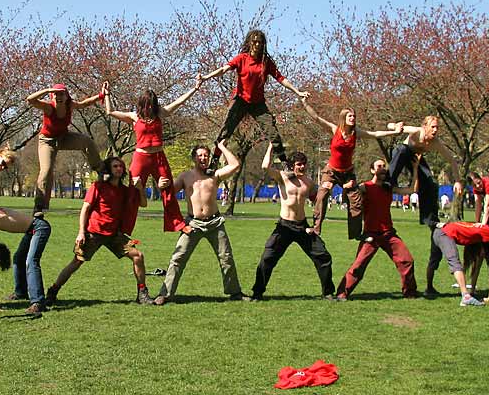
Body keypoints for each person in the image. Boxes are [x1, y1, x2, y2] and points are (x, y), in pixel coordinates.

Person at [197, 29, 310, 176]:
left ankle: (285, 163)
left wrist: (298, 92)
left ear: (263, 44)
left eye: (260, 42)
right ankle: (214, 162)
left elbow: (281, 79)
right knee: (225, 133)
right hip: (240, 101)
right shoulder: (241, 58)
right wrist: (205, 77)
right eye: (254, 41)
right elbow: (223, 69)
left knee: (273, 133)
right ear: (250, 42)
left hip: (258, 104)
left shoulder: (265, 62)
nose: (257, 44)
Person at [46, 156, 152, 306]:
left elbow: (143, 203)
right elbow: (85, 209)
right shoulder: (98, 187)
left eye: (121, 166)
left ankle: (142, 293)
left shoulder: (124, 190)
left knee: (138, 256)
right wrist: (81, 232)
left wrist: (140, 188)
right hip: (94, 233)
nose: (119, 169)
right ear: (109, 169)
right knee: (76, 262)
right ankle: (53, 291)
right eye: (115, 166)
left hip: (114, 235)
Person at [102, 78, 202, 232]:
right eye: (146, 105)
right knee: (133, 191)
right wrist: (107, 94)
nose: (149, 108)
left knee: (168, 189)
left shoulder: (160, 114)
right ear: (141, 105)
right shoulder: (134, 117)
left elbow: (178, 102)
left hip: (158, 158)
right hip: (140, 158)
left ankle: (178, 224)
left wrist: (195, 89)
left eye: (152, 105)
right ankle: (123, 229)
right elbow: (110, 112)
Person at [152, 141, 246, 304]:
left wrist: (221, 147)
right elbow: (168, 194)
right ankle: (165, 294)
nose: (203, 158)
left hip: (215, 223)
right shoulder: (185, 176)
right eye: (200, 155)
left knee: (226, 258)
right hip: (193, 224)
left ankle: (235, 292)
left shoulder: (215, 175)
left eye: (206, 155)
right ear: (194, 158)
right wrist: (160, 186)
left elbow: (235, 165)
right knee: (178, 258)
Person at [299, 99, 403, 239]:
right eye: (350, 116)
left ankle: (356, 234)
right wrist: (305, 103)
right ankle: (316, 229)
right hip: (331, 171)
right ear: (344, 118)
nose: (353, 118)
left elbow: (375, 134)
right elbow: (316, 118)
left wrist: (394, 133)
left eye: (354, 116)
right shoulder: (335, 129)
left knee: (356, 201)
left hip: (348, 173)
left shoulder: (356, 133)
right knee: (322, 194)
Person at [251, 143, 333, 300]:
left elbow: (318, 200)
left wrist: (326, 189)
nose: (302, 167)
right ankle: (257, 293)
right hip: (284, 227)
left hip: (302, 227)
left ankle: (328, 292)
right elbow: (265, 166)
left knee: (323, 256)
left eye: (304, 164)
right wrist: (270, 146)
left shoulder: (308, 182)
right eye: (298, 164)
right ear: (292, 166)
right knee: (267, 258)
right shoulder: (283, 177)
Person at [335, 159, 420, 301]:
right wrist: (345, 188)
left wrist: (416, 168)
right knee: (358, 266)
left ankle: (410, 292)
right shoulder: (364, 187)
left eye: (384, 166)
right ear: (372, 170)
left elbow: (411, 190)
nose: (382, 169)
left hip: (388, 234)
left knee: (407, 260)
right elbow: (347, 200)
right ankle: (342, 293)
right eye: (379, 166)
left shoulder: (388, 187)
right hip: (371, 235)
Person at [26, 83, 105, 215]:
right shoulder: (48, 107)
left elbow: (84, 104)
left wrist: (101, 95)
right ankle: (40, 205)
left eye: (61, 94)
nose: (59, 97)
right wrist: (47, 89)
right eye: (56, 94)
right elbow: (30, 100)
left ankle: (101, 169)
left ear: (66, 96)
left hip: (64, 137)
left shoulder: (70, 105)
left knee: (86, 141)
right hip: (47, 142)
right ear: (52, 96)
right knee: (46, 171)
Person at [386, 116, 464, 228]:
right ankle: (388, 183)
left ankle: (429, 219)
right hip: (403, 153)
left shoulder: (436, 143)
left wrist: (457, 181)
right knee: (401, 149)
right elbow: (390, 126)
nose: (435, 130)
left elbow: (452, 161)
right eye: (432, 127)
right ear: (425, 126)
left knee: (431, 182)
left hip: (416, 158)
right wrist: (395, 126)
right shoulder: (417, 132)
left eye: (437, 127)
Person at [424, 219, 489, 306]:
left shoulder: (474, 228)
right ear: (487, 224)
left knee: (433, 261)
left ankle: (429, 289)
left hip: (437, 231)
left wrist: (472, 290)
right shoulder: (484, 229)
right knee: (454, 262)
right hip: (445, 234)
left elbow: (475, 265)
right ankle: (466, 297)